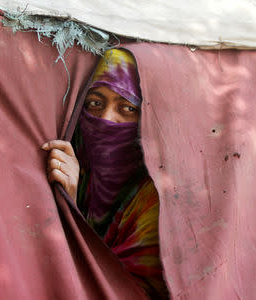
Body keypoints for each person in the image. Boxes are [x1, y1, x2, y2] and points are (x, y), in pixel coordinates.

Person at [41, 49, 168, 298]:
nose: (106, 119)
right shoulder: (79, 166)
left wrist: (71, 210)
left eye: (127, 108)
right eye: (95, 103)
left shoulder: (155, 203)